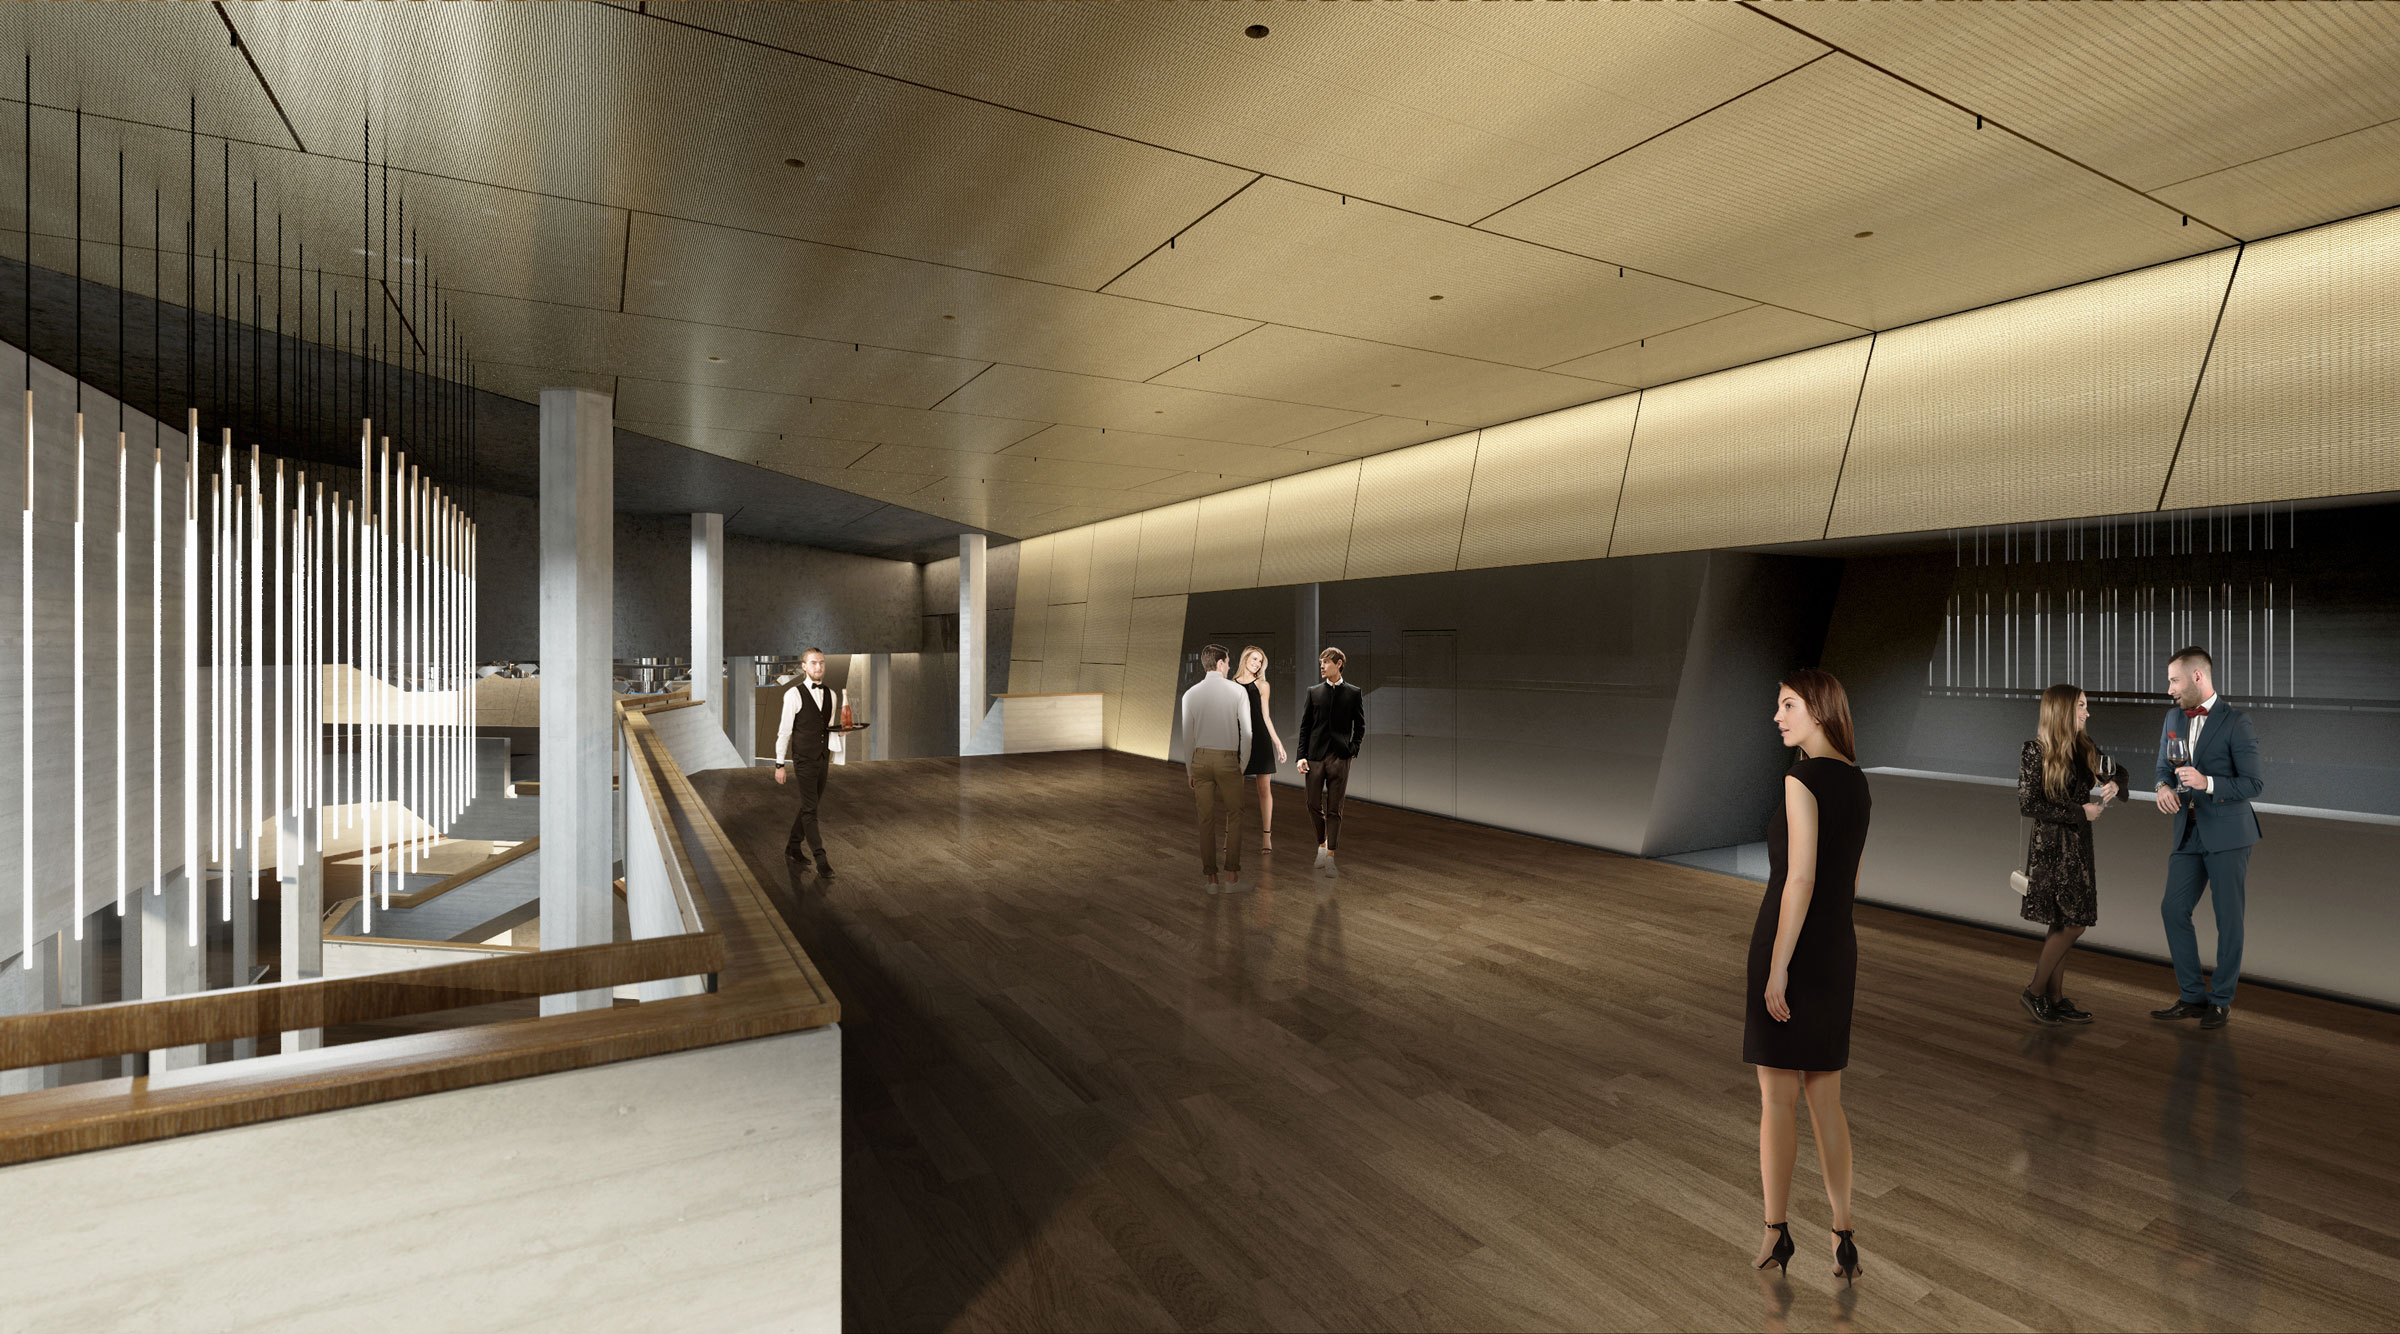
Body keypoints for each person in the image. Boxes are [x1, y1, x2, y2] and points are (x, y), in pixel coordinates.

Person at [1745, 669, 1870, 1285]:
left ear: (1818, 710)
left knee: (1777, 1099)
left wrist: (1777, 967)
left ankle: (1776, 1234)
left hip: (1790, 946)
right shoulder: (1857, 780)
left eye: (1787, 704)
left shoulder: (1801, 778)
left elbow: (1801, 878)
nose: (1778, 716)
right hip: (1837, 949)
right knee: (1828, 1100)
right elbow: (1847, 881)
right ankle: (1843, 1235)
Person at [2150, 646, 2263, 1030]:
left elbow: (2253, 783)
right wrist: (2162, 787)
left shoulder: (2237, 722)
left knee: (2228, 920)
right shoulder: (2172, 717)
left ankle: (2221, 1000)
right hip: (2188, 830)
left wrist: (2207, 782)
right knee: (2172, 909)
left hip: (2229, 834)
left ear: (2198, 677)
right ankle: (2192, 996)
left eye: (2174, 680)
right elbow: (2164, 766)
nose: (2169, 690)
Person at [2017, 684, 2126, 1024]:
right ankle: (2034, 993)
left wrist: (2116, 784)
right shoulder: (2034, 750)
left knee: (2063, 921)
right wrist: (2082, 812)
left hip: (2077, 848)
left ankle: (2055, 998)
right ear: (2063, 709)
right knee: (2073, 923)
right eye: (2081, 706)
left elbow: (2117, 770)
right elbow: (2029, 804)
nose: (2087, 712)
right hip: (2051, 850)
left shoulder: (2084, 748)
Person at [1179, 644, 1253, 892]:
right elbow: (1248, 732)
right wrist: (1242, 763)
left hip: (1199, 760)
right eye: (1229, 662)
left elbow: (1187, 737)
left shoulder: (1190, 694)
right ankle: (1231, 877)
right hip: (1228, 759)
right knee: (1235, 815)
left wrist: (1190, 769)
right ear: (1220, 663)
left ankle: (1211, 880)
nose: (1230, 666)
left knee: (1205, 819)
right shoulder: (1237, 691)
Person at [1297, 646, 1366, 869]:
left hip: (1340, 758)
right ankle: (1321, 844)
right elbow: (1305, 727)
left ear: (1339, 664)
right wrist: (1301, 756)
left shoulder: (1353, 693)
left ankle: (1330, 857)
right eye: (1321, 663)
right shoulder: (1313, 692)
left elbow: (1361, 725)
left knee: (1335, 809)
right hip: (1315, 757)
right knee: (1312, 804)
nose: (1322, 667)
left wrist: (1353, 750)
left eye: (1326, 663)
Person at [774, 647, 839, 878]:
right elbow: (784, 732)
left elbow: (828, 729)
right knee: (810, 809)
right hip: (803, 760)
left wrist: (841, 734)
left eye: (821, 663)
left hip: (823, 759)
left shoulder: (832, 694)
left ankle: (792, 846)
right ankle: (822, 861)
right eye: (813, 663)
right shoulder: (793, 694)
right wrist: (780, 765)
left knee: (809, 806)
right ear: (804, 666)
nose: (818, 667)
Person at [1230, 646, 1288, 851]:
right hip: (1237, 741)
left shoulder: (1263, 685)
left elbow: (1266, 717)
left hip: (1261, 741)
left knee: (1264, 790)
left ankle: (1266, 837)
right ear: (1245, 658)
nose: (1257, 664)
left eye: (1260, 661)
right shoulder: (1230, 685)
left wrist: (1278, 742)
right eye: (1254, 659)